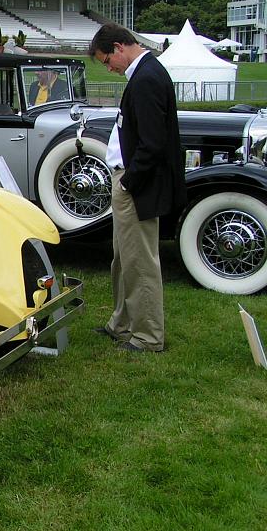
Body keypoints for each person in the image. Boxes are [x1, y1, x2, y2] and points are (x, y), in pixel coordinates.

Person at [89, 23, 187, 353]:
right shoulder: (146, 73)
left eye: (106, 61)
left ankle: (147, 336)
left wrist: (129, 182)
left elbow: (153, 143)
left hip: (136, 184)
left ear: (119, 47)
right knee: (123, 257)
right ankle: (123, 323)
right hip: (130, 180)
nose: (109, 68)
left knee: (140, 261)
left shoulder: (145, 78)